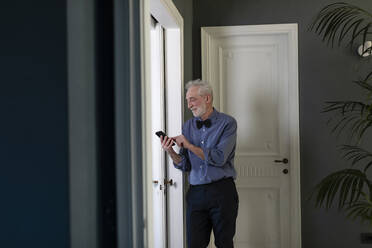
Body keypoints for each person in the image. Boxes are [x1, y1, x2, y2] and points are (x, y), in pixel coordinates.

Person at [160, 79, 239, 248]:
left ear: (207, 99)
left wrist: (188, 145)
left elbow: (219, 158)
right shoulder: (187, 126)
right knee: (194, 244)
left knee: (224, 243)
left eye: (192, 99)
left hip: (222, 191)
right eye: (187, 100)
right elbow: (185, 165)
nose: (189, 105)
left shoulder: (228, 123)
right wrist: (170, 151)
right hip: (196, 193)